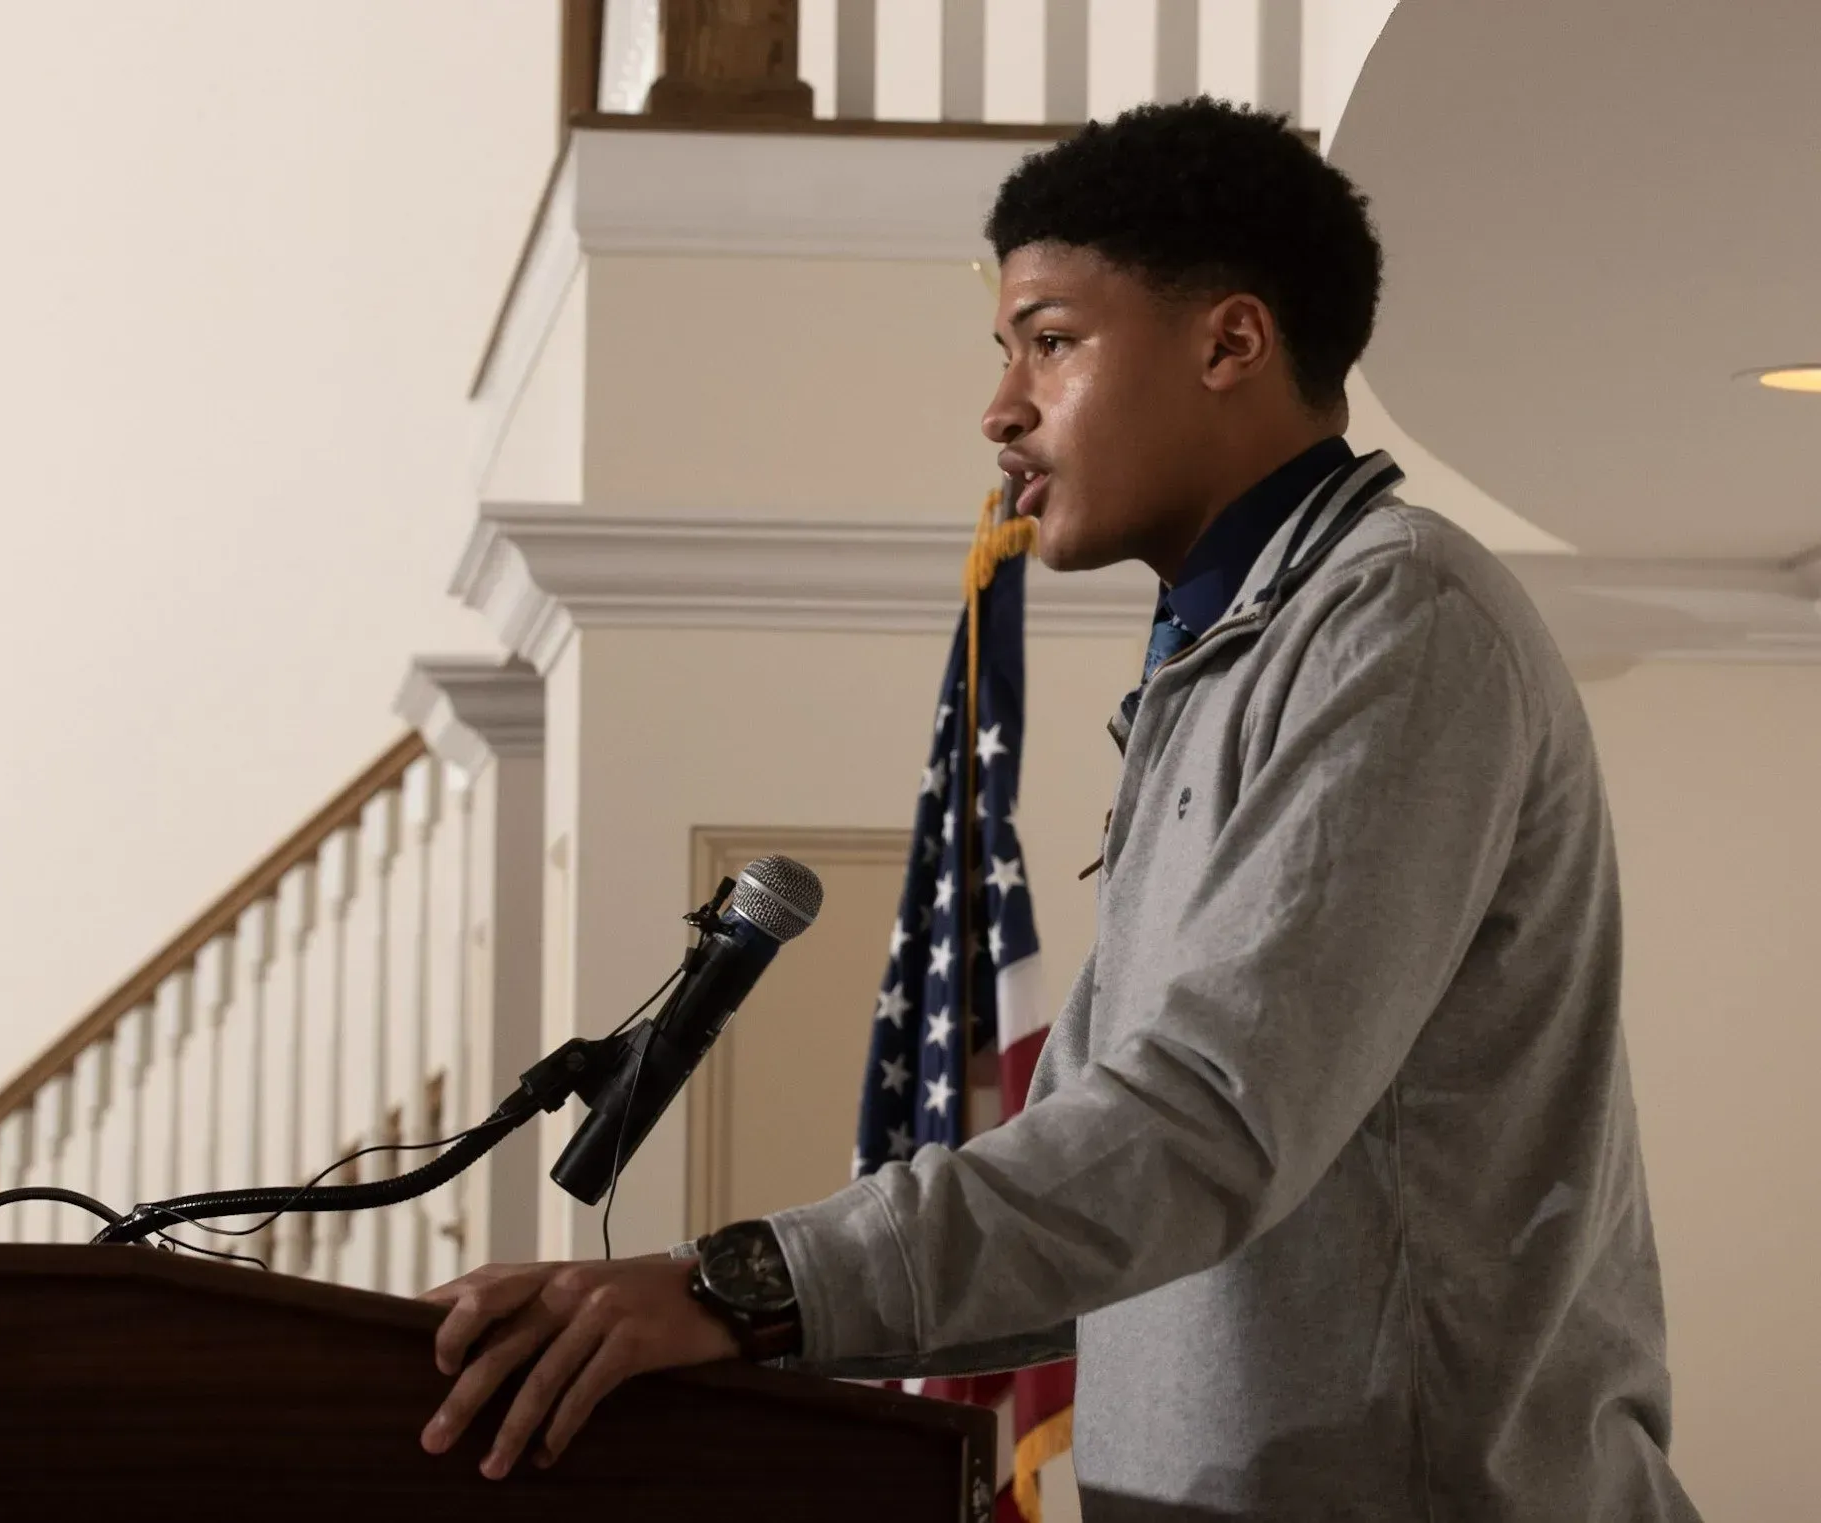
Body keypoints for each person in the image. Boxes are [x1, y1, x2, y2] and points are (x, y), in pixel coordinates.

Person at [417, 100, 1701, 1521]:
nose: (1001, 407)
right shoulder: (1227, 660)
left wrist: (744, 1284)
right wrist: (745, 1314)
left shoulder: (1399, 619)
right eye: (1007, 349)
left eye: (1052, 338)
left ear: (1229, 342)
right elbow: (1103, 1169)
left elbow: (1203, 1122)